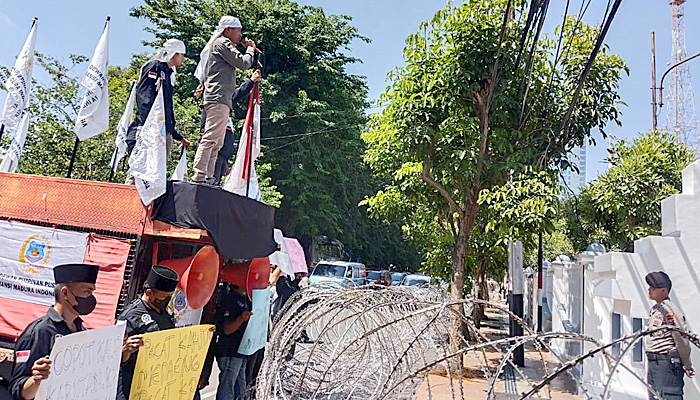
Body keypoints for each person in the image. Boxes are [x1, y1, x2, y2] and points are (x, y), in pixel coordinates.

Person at [9, 264, 100, 400]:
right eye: (87, 292)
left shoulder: (81, 331)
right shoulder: (39, 332)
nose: (91, 298)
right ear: (65, 293)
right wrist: (36, 380)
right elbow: (18, 391)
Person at [192, 16, 256, 183]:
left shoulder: (224, 45)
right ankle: (199, 175)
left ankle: (209, 176)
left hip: (222, 98)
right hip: (218, 97)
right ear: (228, 29)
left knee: (217, 143)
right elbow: (244, 63)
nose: (241, 35)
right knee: (211, 138)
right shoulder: (222, 43)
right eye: (238, 30)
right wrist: (250, 49)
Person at [125, 39, 191, 184]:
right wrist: (150, 125)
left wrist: (175, 134)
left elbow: (167, 107)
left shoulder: (168, 73)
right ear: (174, 53)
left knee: (155, 173)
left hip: (162, 130)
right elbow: (144, 97)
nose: (183, 59)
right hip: (148, 128)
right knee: (139, 169)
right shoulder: (154, 67)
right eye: (182, 55)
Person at [116, 265, 182, 400]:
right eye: (163, 297)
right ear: (149, 293)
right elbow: (116, 356)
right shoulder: (130, 316)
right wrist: (126, 349)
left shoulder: (165, 313)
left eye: (169, 296)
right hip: (133, 384)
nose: (167, 300)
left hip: (157, 382)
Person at [195, 69, 261, 185]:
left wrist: (225, 161)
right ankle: (202, 176)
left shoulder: (224, 112)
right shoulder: (214, 105)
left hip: (221, 156)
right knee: (210, 184)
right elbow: (236, 95)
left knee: (216, 183)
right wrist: (250, 82)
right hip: (214, 157)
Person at [645, 271, 694, 400]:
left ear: (663, 290)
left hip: (666, 363)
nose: (649, 289)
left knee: (668, 396)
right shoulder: (656, 309)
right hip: (654, 362)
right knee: (655, 396)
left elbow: (681, 339)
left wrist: (687, 365)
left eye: (653, 287)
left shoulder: (670, 311)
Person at [213, 283, 253, 400]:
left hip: (241, 351)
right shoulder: (230, 299)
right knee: (228, 388)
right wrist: (241, 319)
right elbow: (227, 329)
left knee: (240, 389)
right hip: (231, 350)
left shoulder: (244, 298)